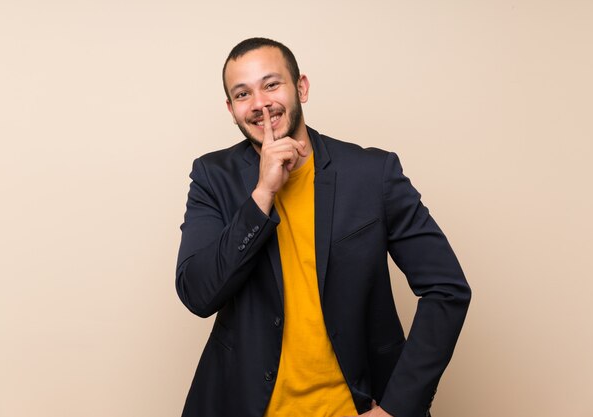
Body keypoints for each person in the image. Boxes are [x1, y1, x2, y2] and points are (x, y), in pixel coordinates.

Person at [175, 37, 471, 417]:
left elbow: (447, 289)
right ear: (231, 109)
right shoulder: (212, 177)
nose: (260, 103)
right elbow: (198, 294)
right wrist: (263, 193)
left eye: (271, 84)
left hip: (353, 405)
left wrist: (399, 407)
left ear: (301, 87)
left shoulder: (372, 174)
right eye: (243, 93)